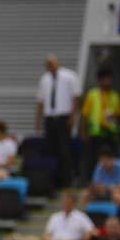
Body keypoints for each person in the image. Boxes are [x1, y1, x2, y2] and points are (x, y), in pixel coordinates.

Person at [37, 55, 81, 188]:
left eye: (52, 63)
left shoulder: (69, 76)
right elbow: (41, 100)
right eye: (48, 64)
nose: (50, 66)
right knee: (51, 150)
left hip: (63, 117)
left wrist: (73, 116)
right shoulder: (44, 79)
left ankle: (66, 180)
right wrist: (38, 120)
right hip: (50, 117)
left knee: (64, 150)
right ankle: (52, 181)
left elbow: (76, 97)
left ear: (58, 63)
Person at [82, 66, 120, 175]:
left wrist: (117, 131)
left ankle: (112, 182)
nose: (108, 81)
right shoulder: (92, 94)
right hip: (96, 133)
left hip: (110, 133)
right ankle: (94, 182)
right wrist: (84, 133)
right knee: (94, 159)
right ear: (99, 80)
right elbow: (85, 115)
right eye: (105, 79)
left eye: (109, 78)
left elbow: (118, 116)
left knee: (112, 160)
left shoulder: (115, 96)